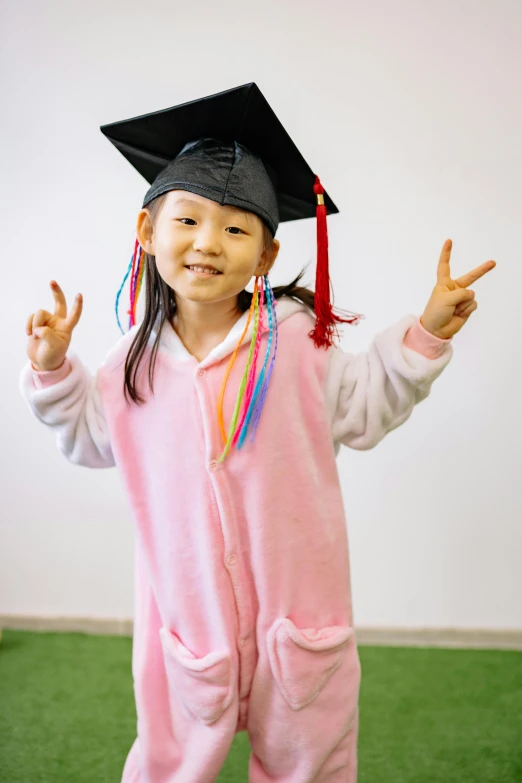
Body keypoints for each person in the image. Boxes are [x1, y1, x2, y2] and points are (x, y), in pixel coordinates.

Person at [19, 83, 495, 783]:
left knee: (311, 756)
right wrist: (55, 369)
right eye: (187, 221)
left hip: (297, 614)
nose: (208, 243)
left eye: (237, 229)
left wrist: (422, 334)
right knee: (170, 758)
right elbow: (91, 437)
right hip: (188, 617)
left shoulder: (298, 343)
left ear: (267, 257)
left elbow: (365, 405)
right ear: (148, 233)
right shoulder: (131, 368)